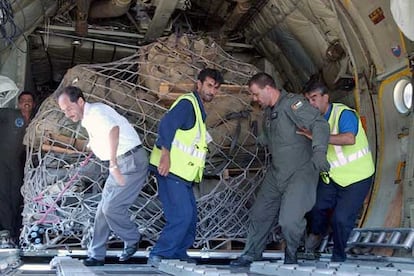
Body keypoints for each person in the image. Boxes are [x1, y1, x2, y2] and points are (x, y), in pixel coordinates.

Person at [230, 72, 330, 266]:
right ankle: (251, 253)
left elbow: (320, 124)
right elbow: (270, 138)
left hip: (300, 172)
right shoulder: (269, 112)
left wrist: (319, 151)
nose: (254, 99)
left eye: (256, 94)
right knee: (260, 213)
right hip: (277, 172)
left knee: (289, 221)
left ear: (268, 89)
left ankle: (292, 253)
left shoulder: (293, 104)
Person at [56, 86, 148, 266]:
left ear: (80, 101)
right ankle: (96, 255)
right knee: (101, 212)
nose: (67, 114)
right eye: (64, 111)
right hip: (122, 162)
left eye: (69, 108)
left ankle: (133, 237)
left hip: (129, 162)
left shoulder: (96, 113)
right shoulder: (90, 117)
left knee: (111, 208)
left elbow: (113, 130)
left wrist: (112, 163)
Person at [147, 68, 224, 267]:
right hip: (170, 170)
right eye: (209, 85)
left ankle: (178, 252)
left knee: (190, 217)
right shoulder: (187, 104)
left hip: (183, 175)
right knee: (181, 215)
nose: (212, 91)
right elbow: (166, 125)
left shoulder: (198, 109)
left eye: (216, 88)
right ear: (198, 84)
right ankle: (160, 253)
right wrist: (165, 155)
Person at [300, 82, 375, 262]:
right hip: (333, 176)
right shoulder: (313, 120)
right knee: (316, 208)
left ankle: (338, 256)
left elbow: (349, 139)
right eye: (307, 100)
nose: (311, 103)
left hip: (357, 176)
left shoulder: (344, 114)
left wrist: (317, 136)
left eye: (314, 98)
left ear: (326, 98)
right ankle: (314, 239)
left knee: (341, 219)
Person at [0, 91, 35, 244]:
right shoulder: (9, 114)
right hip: (2, 161)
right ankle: (5, 230)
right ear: (19, 103)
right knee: (3, 195)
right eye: (23, 100)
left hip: (18, 164)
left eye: (29, 100)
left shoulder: (35, 121)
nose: (26, 102)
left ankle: (14, 231)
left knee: (16, 196)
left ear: (33, 104)